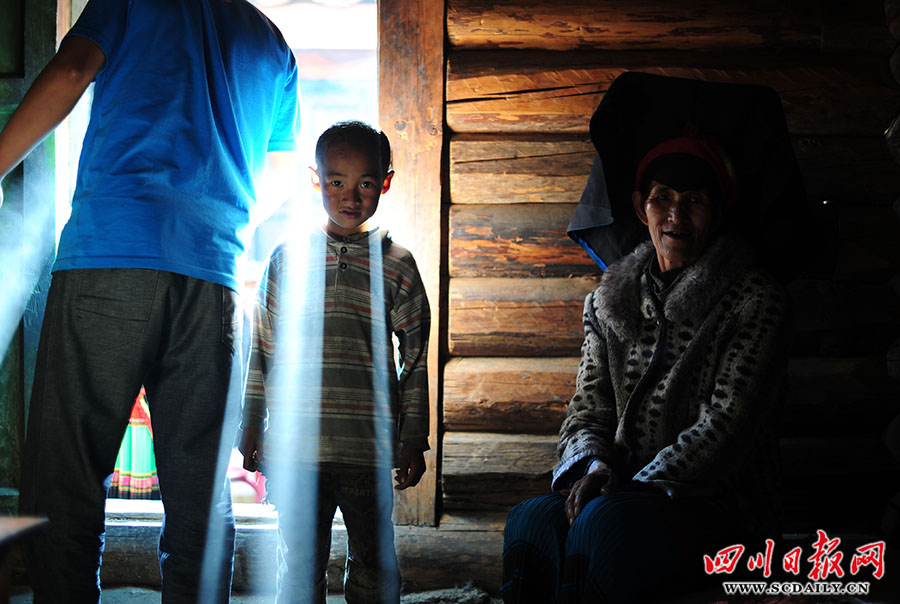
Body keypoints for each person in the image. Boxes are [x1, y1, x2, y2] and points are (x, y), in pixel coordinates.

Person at [0, 0, 300, 602]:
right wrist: (214, 214)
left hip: (110, 257)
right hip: (214, 279)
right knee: (202, 495)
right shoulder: (271, 42)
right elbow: (281, 168)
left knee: (65, 479)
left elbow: (71, 69)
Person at [501, 134, 790, 603]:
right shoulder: (609, 302)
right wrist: (595, 468)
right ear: (641, 208)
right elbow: (587, 408)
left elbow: (727, 426)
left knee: (604, 523)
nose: (676, 215)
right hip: (617, 490)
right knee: (530, 519)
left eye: (695, 200)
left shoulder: (754, 301)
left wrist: (629, 489)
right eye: (663, 198)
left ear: (717, 211)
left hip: (716, 505)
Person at [239, 120, 431, 604]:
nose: (350, 196)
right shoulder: (286, 259)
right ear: (315, 180)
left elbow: (415, 361)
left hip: (368, 450)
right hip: (295, 450)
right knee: (299, 570)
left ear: (385, 182)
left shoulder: (398, 265)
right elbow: (262, 348)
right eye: (336, 182)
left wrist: (413, 438)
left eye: (365, 183)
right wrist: (251, 424)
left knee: (374, 567)